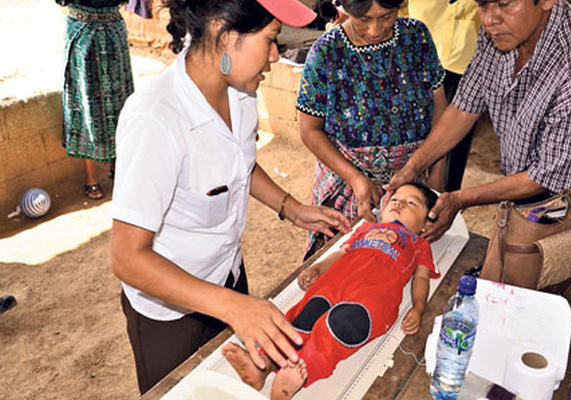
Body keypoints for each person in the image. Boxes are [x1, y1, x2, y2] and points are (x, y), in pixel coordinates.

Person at [109, 0, 351, 394]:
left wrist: (292, 208)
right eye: (271, 40)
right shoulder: (155, 119)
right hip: (171, 312)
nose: (276, 56)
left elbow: (239, 164)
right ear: (225, 34)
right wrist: (234, 308)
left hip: (226, 278)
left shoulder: (238, 92)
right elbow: (127, 257)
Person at [384, 0, 571, 262]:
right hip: (524, 180)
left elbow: (543, 176)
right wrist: (412, 167)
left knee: (545, 280)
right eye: (482, 5)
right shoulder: (500, 33)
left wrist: (459, 200)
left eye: (504, 4)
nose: (488, 20)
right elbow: (464, 107)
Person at [222, 182, 440, 400]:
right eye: (394, 199)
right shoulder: (365, 228)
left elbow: (421, 277)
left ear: (425, 225)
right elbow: (341, 253)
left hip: (373, 295)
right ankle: (264, 364)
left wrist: (419, 307)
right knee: (302, 320)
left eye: (411, 203)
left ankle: (296, 378)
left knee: (341, 326)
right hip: (335, 282)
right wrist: (318, 267)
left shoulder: (418, 244)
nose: (399, 203)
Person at [296, 0, 447, 260]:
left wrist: (435, 180)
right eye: (364, 19)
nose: (376, 29)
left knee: (406, 266)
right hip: (348, 187)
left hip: (412, 187)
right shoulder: (326, 52)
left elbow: (441, 118)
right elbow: (310, 130)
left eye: (387, 17)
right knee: (344, 266)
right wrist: (356, 178)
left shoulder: (416, 37)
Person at [55, 0, 134, 200]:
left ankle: (118, 166)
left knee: (121, 99)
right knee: (85, 101)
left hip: (112, 30)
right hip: (84, 32)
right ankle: (90, 177)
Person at [404, 0, 481, 191]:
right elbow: (395, 6)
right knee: (411, 138)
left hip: (467, 60)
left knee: (456, 143)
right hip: (419, 59)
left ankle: (444, 203)